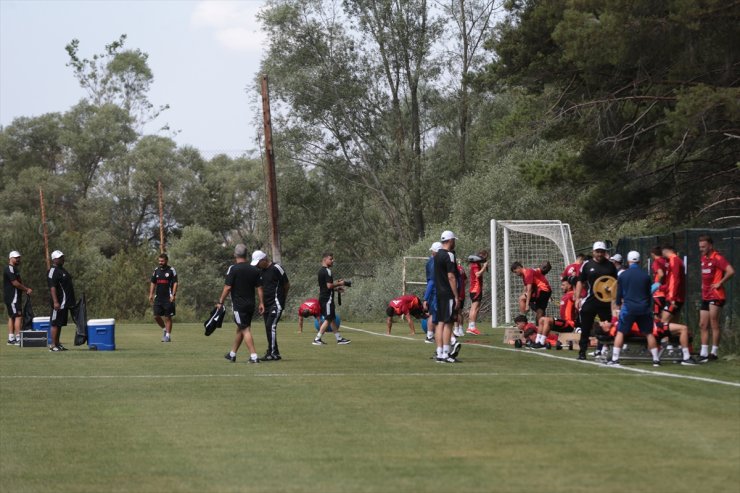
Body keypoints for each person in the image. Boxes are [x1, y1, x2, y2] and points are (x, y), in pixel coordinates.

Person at [606, 251, 660, 367]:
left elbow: (619, 293)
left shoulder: (623, 275)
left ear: (628, 260)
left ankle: (615, 359)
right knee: (649, 333)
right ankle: (656, 360)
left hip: (629, 308)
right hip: (644, 308)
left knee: (621, 332)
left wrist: (618, 304)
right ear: (639, 261)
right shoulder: (645, 275)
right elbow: (649, 294)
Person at [219, 244, 264, 364]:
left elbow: (227, 287)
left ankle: (254, 356)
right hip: (251, 304)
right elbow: (259, 288)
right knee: (241, 328)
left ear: (235, 255)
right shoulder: (254, 269)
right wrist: (261, 303)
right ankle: (232, 354)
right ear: (246, 255)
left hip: (239, 305)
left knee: (245, 329)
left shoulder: (233, 269)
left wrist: (220, 302)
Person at [574, 242, 618, 361]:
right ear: (593, 252)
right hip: (591, 300)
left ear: (605, 252)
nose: (599, 254)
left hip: (606, 302)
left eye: (602, 251)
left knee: (608, 327)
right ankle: (582, 352)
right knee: (585, 327)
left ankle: (606, 351)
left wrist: (616, 301)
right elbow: (580, 281)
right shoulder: (587, 265)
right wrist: (577, 298)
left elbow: (616, 283)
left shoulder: (610, 266)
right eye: (597, 251)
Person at [698, 235, 735, 362]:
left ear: (710, 246)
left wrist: (720, 282)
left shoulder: (718, 258)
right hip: (705, 295)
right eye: (700, 247)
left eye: (703, 247)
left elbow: (730, 271)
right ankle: (703, 353)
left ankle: (713, 353)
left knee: (714, 322)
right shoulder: (703, 258)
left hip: (716, 295)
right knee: (703, 324)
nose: (701, 249)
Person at [253, 250, 289, 361]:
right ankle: (273, 352)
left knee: (270, 326)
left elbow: (286, 285)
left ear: (264, 259)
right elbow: (261, 288)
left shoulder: (276, 268)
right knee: (268, 328)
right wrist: (262, 303)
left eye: (258, 262)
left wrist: (282, 299)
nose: (257, 265)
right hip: (266, 304)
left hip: (276, 303)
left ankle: (273, 353)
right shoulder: (260, 271)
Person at [433, 230, 461, 362]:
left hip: (439, 292)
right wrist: (456, 295)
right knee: (448, 323)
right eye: (454, 240)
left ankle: (439, 353)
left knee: (440, 323)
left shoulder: (437, 254)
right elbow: (451, 276)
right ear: (450, 241)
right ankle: (445, 353)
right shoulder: (449, 255)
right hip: (447, 293)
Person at [313, 252, 351, 345]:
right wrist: (341, 283)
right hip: (327, 299)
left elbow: (325, 287)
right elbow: (329, 286)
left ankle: (339, 339)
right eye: (331, 259)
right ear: (325, 260)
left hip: (324, 297)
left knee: (332, 318)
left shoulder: (321, 271)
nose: (332, 260)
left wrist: (336, 289)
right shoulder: (327, 271)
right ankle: (317, 339)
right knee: (329, 318)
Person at [47, 250, 76, 352]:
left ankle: (58, 344)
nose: (62, 259)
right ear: (54, 259)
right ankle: (52, 345)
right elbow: (52, 287)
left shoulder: (62, 270)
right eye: (60, 258)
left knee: (59, 324)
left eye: (62, 257)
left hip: (65, 303)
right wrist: (55, 302)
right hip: (58, 303)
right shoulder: (53, 271)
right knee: (55, 323)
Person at [536, 277, 577, 347]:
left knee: (546, 320)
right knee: (541, 319)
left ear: (569, 286)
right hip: (563, 323)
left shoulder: (572, 295)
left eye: (563, 285)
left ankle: (542, 343)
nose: (561, 287)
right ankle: (537, 341)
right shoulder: (565, 296)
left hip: (569, 324)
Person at [148, 253, 178, 342]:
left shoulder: (171, 270)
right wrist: (151, 294)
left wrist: (173, 294)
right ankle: (164, 330)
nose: (160, 262)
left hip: (168, 297)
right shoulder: (156, 270)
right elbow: (153, 282)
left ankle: (168, 336)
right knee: (156, 316)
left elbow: (175, 283)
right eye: (159, 261)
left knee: (168, 317)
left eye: (162, 261)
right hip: (158, 298)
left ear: (166, 261)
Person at [4, 251, 32, 345]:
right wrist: (26, 289)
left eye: (19, 257)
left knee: (12, 316)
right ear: (10, 258)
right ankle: (18, 338)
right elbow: (15, 283)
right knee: (18, 316)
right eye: (16, 258)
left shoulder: (14, 268)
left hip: (12, 296)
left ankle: (11, 339)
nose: (18, 259)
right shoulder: (10, 268)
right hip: (13, 296)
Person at [422, 242, 442, 343]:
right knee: (435, 315)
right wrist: (426, 298)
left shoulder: (431, 261)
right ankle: (430, 336)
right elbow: (431, 281)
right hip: (435, 292)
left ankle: (430, 336)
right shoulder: (434, 263)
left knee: (433, 314)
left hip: (435, 292)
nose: (432, 253)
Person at [661, 245, 685, 324]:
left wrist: (673, 298)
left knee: (663, 323)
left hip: (674, 298)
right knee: (672, 324)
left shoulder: (674, 260)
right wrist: (661, 288)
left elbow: (676, 279)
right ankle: (680, 334)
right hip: (674, 297)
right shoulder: (672, 260)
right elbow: (671, 281)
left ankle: (684, 331)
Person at [466, 250, 488, 335]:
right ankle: (472, 327)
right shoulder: (475, 264)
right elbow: (478, 274)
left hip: (474, 289)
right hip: (476, 289)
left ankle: (470, 327)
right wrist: (484, 267)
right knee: (474, 308)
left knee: (475, 308)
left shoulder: (475, 264)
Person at [649, 246, 667, 316]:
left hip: (658, 293)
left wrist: (656, 285)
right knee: (664, 315)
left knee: (657, 317)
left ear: (653, 254)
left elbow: (661, 274)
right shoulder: (665, 261)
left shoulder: (656, 262)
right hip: (666, 292)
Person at [453, 259, 468, 337]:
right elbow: (466, 279)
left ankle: (456, 329)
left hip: (457, 293)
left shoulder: (455, 270)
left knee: (456, 312)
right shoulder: (461, 268)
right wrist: (463, 287)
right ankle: (461, 329)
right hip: (462, 293)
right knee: (460, 312)